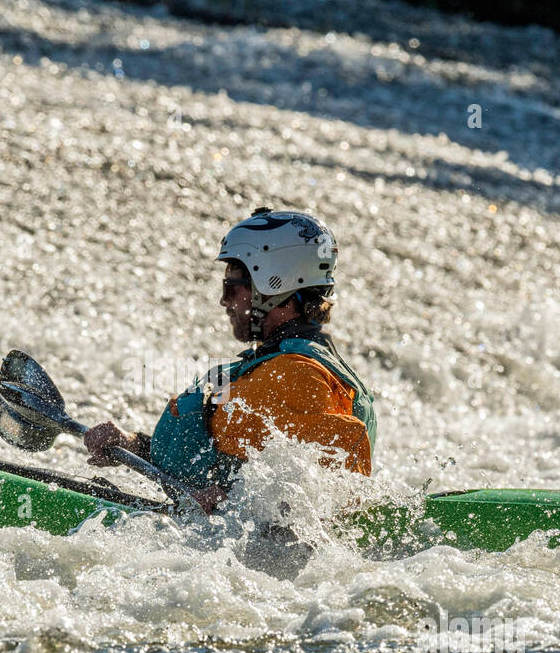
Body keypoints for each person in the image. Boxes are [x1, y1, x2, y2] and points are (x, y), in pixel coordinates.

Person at [85, 208, 377, 513]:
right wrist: (131, 444)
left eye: (231, 287)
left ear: (270, 282)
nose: (224, 301)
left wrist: (237, 503)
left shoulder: (297, 373)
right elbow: (222, 458)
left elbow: (324, 498)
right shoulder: (279, 365)